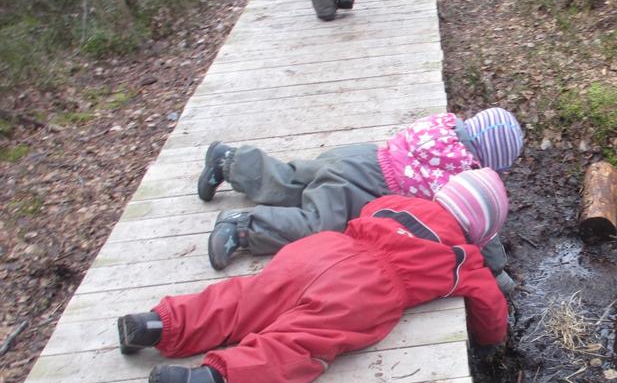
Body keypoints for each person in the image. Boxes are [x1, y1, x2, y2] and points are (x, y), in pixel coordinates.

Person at [117, 169, 509, 383]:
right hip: (365, 289)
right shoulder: (464, 258)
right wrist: (492, 344)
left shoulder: (398, 203)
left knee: (245, 297)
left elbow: (371, 208)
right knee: (299, 342)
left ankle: (155, 325)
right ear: (479, 230)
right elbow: (489, 306)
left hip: (322, 250)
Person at [197, 108, 524, 286]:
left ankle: (230, 162)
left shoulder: (445, 127)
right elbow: (479, 229)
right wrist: (498, 270)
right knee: (317, 223)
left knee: (290, 181)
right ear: (489, 160)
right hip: (360, 188)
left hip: (358, 157)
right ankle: (243, 229)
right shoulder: (459, 172)